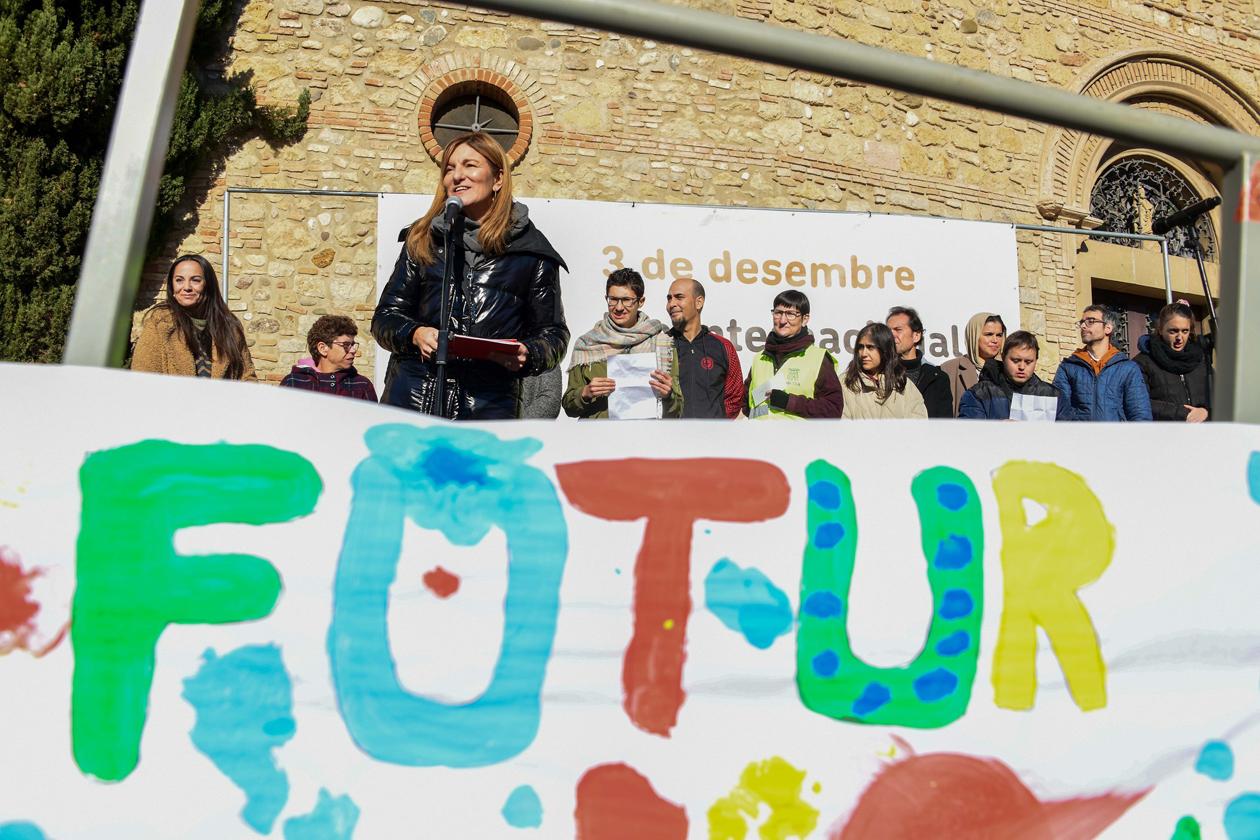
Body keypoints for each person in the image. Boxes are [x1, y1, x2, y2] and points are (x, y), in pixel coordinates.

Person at [372, 131, 569, 419]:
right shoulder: (423, 239)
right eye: (450, 168)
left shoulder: (532, 252)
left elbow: (554, 335)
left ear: (498, 179)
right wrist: (415, 333)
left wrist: (528, 353)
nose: (457, 176)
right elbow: (385, 318)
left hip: (487, 410)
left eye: (470, 165)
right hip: (413, 403)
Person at [562, 268, 682, 419]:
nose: (619, 307)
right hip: (598, 433)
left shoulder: (661, 343)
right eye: (613, 299)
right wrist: (585, 393)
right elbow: (569, 407)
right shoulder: (587, 344)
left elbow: (677, 410)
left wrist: (668, 395)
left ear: (641, 301)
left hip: (646, 432)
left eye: (626, 300)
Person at [131, 254, 256, 380]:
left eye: (195, 280)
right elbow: (143, 378)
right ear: (172, 286)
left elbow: (247, 377)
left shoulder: (229, 327)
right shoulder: (160, 323)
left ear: (208, 285)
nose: (187, 287)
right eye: (179, 280)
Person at [743, 290, 844, 419]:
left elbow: (834, 409)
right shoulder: (760, 359)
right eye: (778, 313)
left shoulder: (818, 359)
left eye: (791, 314)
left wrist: (789, 402)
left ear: (805, 319)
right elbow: (747, 405)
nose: (783, 320)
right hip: (760, 432)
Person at [1052, 304, 1152, 421]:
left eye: (1091, 321)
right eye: (1082, 322)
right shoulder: (1068, 367)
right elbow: (1059, 411)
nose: (1083, 326)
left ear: (1108, 328)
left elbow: (1140, 414)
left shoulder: (1128, 368)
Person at [666, 277, 743, 419]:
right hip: (671, 432)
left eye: (679, 297)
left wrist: (715, 423)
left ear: (699, 302)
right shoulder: (661, 344)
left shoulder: (723, 346)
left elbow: (735, 396)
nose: (672, 304)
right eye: (669, 298)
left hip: (714, 433)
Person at [958, 330, 1067, 420]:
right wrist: (996, 430)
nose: (1022, 367)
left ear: (1036, 361)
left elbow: (1069, 434)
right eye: (1015, 360)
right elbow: (968, 433)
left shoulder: (1054, 396)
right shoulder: (978, 394)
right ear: (1003, 357)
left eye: (1028, 362)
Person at [1133, 300, 1211, 422]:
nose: (1179, 337)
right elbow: (1138, 402)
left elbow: (1222, 396)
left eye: (1185, 331)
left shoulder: (1200, 359)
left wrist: (1206, 412)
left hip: (1204, 431)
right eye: (1173, 331)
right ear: (1160, 329)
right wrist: (1182, 414)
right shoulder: (1143, 362)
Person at [279, 314, 378, 401]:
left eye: (352, 344)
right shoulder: (294, 383)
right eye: (346, 345)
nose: (353, 350)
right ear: (323, 348)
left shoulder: (362, 385)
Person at [841, 322, 928, 419]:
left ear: (885, 349)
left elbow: (919, 423)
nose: (864, 353)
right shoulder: (845, 383)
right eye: (860, 347)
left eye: (870, 347)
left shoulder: (904, 384)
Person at [886, 306, 953, 418]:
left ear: (916, 336)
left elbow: (944, 423)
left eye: (898, 330)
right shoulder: (880, 374)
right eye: (888, 331)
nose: (891, 336)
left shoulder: (938, 378)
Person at [940, 312, 1005, 416]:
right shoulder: (948, 369)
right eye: (989, 334)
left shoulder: (1008, 369)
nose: (995, 340)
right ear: (974, 336)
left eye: (999, 335)